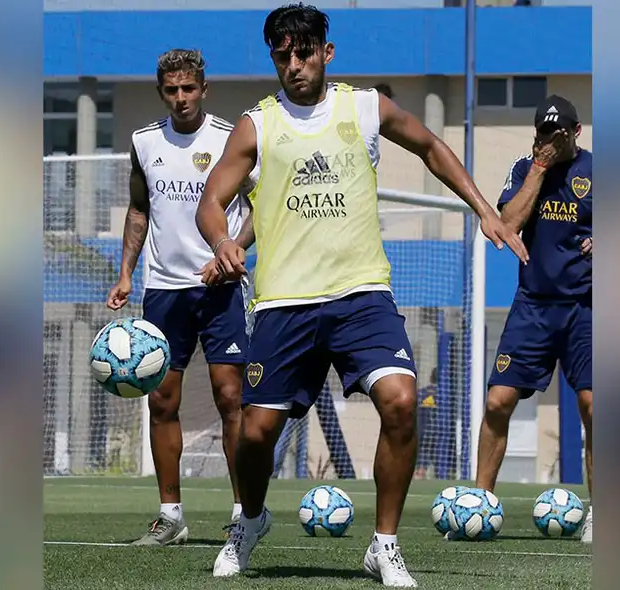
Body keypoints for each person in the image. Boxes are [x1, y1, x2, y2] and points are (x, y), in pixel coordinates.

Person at [195, 4, 528, 585]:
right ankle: (249, 520)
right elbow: (209, 200)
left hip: (361, 295)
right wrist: (222, 240)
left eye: (305, 52)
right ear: (274, 57)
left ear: (327, 52)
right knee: (254, 433)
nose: (294, 64)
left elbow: (429, 146)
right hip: (283, 303)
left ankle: (384, 544)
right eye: (283, 54)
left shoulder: (364, 106)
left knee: (400, 401)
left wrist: (484, 209)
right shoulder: (257, 125)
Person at [106, 48, 255, 546]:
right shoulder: (143, 142)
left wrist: (232, 249)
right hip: (164, 291)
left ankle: (244, 514)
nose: (181, 98)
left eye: (189, 88)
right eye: (171, 90)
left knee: (230, 397)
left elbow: (263, 206)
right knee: (161, 401)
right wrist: (127, 273)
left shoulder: (230, 139)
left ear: (203, 89)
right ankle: (170, 516)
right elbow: (138, 209)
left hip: (221, 287)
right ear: (161, 93)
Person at [475, 94, 593, 544]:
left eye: (557, 134)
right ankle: (480, 504)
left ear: (575, 133)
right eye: (541, 133)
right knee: (498, 401)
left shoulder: (596, 171)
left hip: (587, 306)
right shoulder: (525, 169)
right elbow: (507, 223)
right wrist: (541, 168)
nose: (547, 141)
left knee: (594, 406)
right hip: (533, 306)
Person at [414, 368, 438, 480]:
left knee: (422, 452)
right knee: (434, 455)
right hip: (436, 431)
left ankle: (419, 473)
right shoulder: (444, 395)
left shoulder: (420, 393)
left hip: (420, 428)